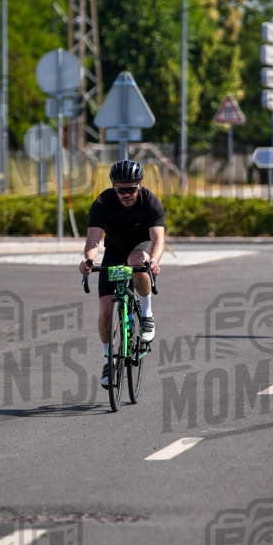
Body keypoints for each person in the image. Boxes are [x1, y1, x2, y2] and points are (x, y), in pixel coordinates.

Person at [78, 159, 165, 389]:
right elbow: (93, 240)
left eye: (131, 189)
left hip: (141, 248)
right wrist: (88, 258)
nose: (126, 194)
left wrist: (154, 261)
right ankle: (109, 361)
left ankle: (146, 314)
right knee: (106, 310)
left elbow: (158, 239)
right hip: (114, 253)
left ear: (139, 185)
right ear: (114, 188)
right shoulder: (102, 202)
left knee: (136, 260)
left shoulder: (150, 202)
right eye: (120, 190)